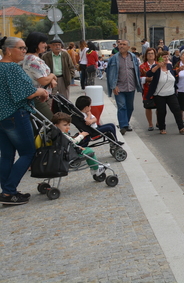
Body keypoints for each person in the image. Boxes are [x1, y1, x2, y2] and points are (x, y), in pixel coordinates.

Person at [0, 37, 49, 206]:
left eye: (24, 48)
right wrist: (41, 91)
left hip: (3, 117)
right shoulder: (12, 67)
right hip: (16, 116)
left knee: (7, 156)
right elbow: (27, 93)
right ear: (8, 50)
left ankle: (7, 192)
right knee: (28, 152)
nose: (24, 51)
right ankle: (9, 190)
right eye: (21, 48)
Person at [51, 112, 105, 180]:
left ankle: (94, 168)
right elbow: (73, 141)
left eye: (69, 125)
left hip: (64, 153)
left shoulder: (55, 133)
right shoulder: (62, 135)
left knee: (84, 150)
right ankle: (96, 169)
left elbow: (68, 141)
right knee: (89, 151)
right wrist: (82, 135)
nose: (68, 127)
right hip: (69, 156)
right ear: (56, 126)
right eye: (65, 125)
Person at [106, 39, 142, 134]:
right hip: (119, 87)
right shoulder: (114, 59)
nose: (121, 46)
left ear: (128, 47)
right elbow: (109, 73)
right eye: (120, 44)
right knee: (122, 106)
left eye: (124, 44)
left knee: (130, 107)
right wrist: (114, 86)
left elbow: (137, 72)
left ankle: (126, 123)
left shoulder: (133, 57)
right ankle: (123, 126)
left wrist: (138, 84)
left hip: (131, 86)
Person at [146, 50, 184, 135]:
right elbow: (149, 74)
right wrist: (157, 66)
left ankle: (181, 128)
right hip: (159, 95)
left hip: (171, 93)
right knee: (162, 112)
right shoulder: (155, 66)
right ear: (159, 58)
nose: (166, 58)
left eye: (167, 57)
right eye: (164, 57)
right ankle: (162, 128)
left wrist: (178, 70)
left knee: (177, 110)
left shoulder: (169, 65)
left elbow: (172, 73)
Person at [22, 32, 57, 121]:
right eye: (43, 42)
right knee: (51, 122)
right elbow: (43, 80)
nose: (45, 45)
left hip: (36, 95)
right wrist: (52, 75)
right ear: (35, 43)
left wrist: (50, 78)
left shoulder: (27, 57)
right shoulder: (33, 60)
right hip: (37, 97)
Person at [139, 48, 158, 131]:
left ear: (155, 55)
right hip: (147, 89)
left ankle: (158, 122)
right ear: (146, 56)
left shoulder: (158, 65)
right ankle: (150, 124)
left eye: (152, 53)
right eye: (149, 53)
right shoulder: (142, 66)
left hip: (158, 89)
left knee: (159, 106)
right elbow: (138, 78)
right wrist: (146, 79)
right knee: (148, 107)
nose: (150, 55)